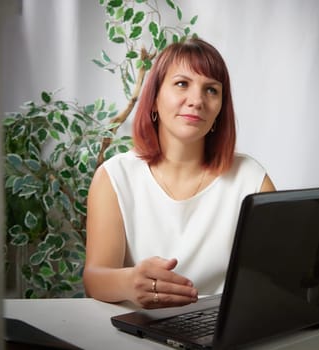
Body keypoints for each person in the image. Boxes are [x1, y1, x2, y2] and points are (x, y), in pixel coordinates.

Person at [83, 37, 275, 309]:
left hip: (220, 333)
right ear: (154, 100)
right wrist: (129, 282)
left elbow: (274, 280)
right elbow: (94, 278)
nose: (197, 100)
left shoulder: (251, 179)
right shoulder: (114, 176)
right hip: (136, 331)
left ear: (221, 108)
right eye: (182, 84)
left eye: (211, 90)